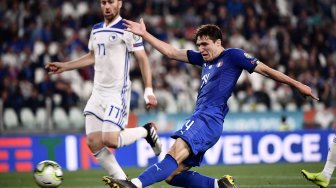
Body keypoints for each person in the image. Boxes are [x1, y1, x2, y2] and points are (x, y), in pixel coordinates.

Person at [102, 19, 319, 188]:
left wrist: (298, 85)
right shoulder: (203, 59)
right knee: (171, 174)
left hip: (208, 118)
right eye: (198, 45)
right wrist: (145, 34)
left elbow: (267, 70)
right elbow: (170, 52)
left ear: (218, 42)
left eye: (205, 44)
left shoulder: (233, 56)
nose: (201, 48)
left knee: (173, 153)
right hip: (205, 120)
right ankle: (218, 185)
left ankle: (134, 184)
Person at [45, 0, 162, 180]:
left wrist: (148, 90)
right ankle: (123, 182)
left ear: (120, 3)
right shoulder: (96, 29)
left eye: (111, 2)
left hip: (117, 93)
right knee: (93, 142)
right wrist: (65, 67)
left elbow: (143, 59)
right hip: (97, 92)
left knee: (110, 140)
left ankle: (146, 131)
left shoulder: (129, 28)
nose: (107, 6)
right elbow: (92, 56)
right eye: (103, 2)